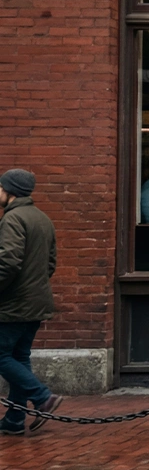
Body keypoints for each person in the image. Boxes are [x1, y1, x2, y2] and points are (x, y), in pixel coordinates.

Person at [0, 169, 63, 436]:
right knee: (19, 357)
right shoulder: (43, 218)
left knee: (2, 356)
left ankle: (42, 397)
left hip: (13, 305)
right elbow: (50, 264)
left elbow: (7, 262)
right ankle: (15, 420)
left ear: (9, 191)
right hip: (36, 303)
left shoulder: (13, 219)